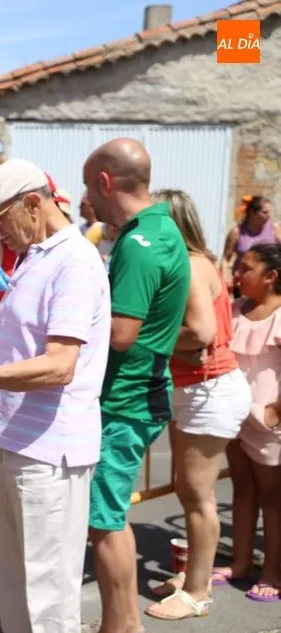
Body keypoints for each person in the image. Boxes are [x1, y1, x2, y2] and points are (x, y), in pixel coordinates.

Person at [0, 159, 111, 633]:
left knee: (47, 595)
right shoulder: (35, 255)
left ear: (33, 204)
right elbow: (17, 345)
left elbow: (59, 365)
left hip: (49, 450)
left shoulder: (74, 261)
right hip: (12, 437)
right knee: (15, 585)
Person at [83, 138, 191, 633]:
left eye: (90, 187)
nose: (91, 200)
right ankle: (120, 623)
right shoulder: (162, 228)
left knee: (105, 522)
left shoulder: (141, 241)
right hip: (136, 397)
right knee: (110, 517)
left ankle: (121, 625)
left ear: (106, 181)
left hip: (125, 401)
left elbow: (122, 333)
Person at [146, 189, 250, 619]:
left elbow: (201, 335)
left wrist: (144, 335)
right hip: (200, 388)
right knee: (192, 493)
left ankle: (197, 592)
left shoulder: (190, 266)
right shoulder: (196, 262)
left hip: (209, 389)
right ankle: (195, 578)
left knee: (197, 495)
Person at [223, 243, 281, 603]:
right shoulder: (234, 310)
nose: (238, 274)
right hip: (234, 416)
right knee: (242, 490)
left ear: (272, 276)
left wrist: (275, 412)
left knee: (273, 499)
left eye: (246, 268)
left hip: (268, 421)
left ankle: (273, 571)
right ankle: (241, 562)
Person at [220, 196, 281, 295]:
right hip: (243, 284)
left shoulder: (274, 229)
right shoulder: (237, 232)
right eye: (265, 212)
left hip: (268, 286)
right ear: (252, 213)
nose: (268, 216)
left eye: (269, 213)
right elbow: (226, 258)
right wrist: (223, 279)